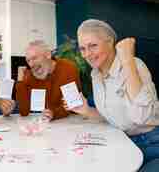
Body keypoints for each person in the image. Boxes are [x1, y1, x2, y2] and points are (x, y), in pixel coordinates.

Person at [66, 19, 159, 168]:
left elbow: (142, 117)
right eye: (83, 48)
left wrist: (127, 60)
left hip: (152, 143)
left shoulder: (134, 65)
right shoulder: (95, 74)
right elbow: (113, 118)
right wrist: (86, 110)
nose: (87, 54)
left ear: (110, 43)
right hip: (124, 141)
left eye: (93, 46)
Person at [15, 40, 82, 120]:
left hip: (70, 121)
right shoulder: (30, 75)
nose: (31, 65)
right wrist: (20, 81)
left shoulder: (68, 69)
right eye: (28, 61)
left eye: (34, 58)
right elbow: (24, 111)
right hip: (43, 124)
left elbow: (72, 104)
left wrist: (54, 113)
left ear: (48, 55)